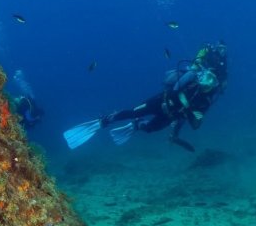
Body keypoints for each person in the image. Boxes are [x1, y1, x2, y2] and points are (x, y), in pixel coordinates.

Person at [64, 41, 228, 152]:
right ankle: (104, 121)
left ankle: (137, 126)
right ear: (201, 75)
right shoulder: (192, 80)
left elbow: (194, 123)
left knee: (149, 129)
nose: (208, 82)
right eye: (206, 77)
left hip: (170, 116)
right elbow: (175, 89)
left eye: (212, 81)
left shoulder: (206, 101)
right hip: (160, 102)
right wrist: (190, 105)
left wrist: (192, 118)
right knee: (134, 111)